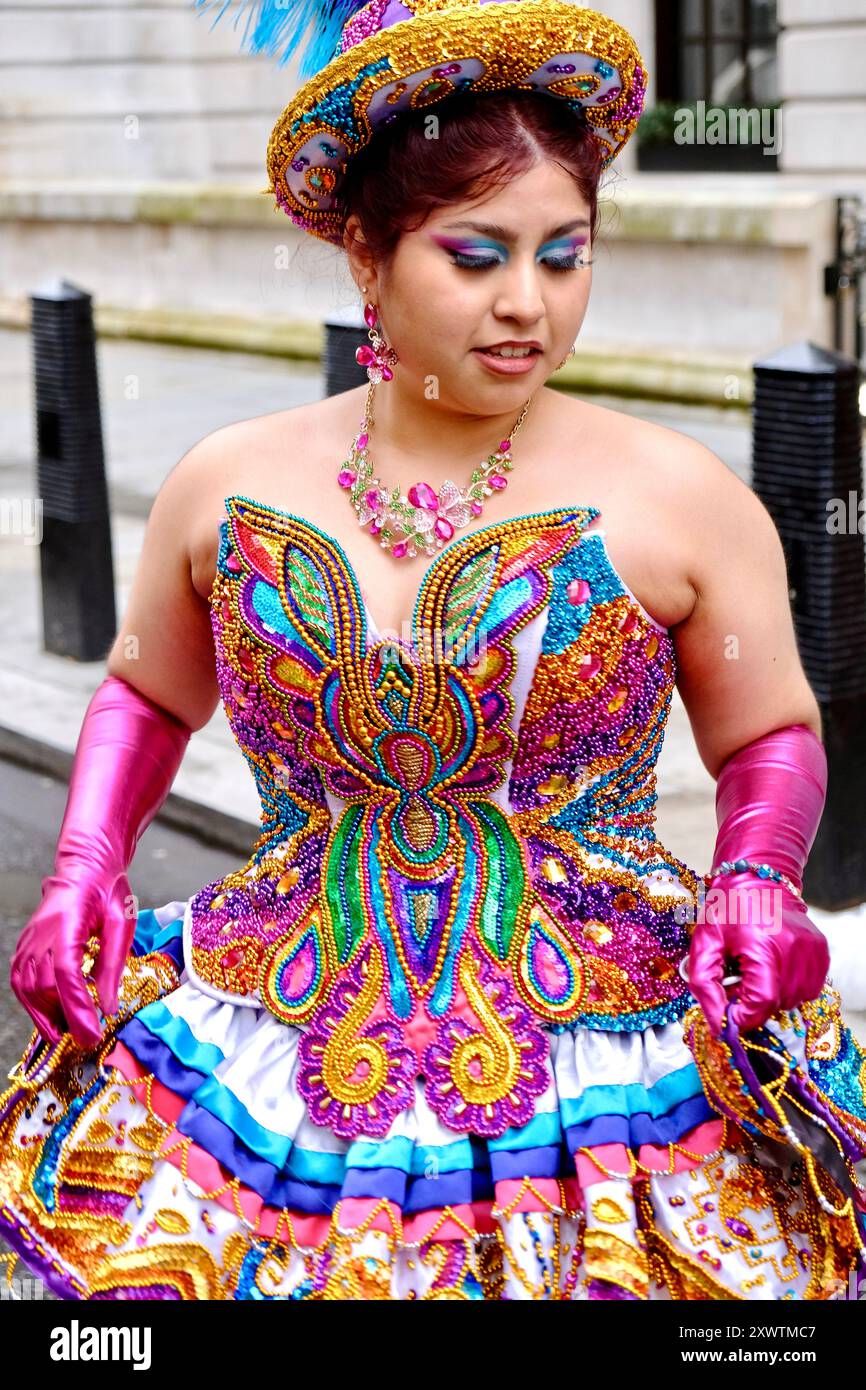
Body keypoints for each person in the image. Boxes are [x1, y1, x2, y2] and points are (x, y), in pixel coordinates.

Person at [1, 0, 864, 1301]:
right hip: (271, 1028)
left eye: (563, 254)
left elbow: (766, 734)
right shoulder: (225, 485)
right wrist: (82, 869)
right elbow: (144, 689)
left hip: (609, 1046)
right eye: (474, 255)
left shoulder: (678, 493)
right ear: (365, 249)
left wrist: (755, 877)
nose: (528, 302)